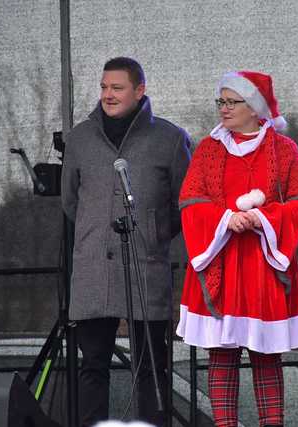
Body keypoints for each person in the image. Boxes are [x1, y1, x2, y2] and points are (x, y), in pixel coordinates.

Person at [176, 71, 298, 427]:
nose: (223, 108)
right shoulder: (208, 149)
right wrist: (225, 220)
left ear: (254, 107)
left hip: (261, 263)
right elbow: (190, 201)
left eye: (231, 101)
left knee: (266, 355)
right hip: (220, 258)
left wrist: (260, 219)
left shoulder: (284, 150)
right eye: (220, 101)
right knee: (221, 355)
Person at [61, 57, 192, 427]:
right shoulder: (80, 138)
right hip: (92, 271)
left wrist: (151, 232)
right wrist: (96, 228)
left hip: (145, 266)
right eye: (103, 87)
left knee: (151, 363)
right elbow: (70, 201)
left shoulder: (170, 138)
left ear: (139, 90)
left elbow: (184, 204)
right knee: (93, 365)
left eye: (117, 88)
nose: (108, 94)